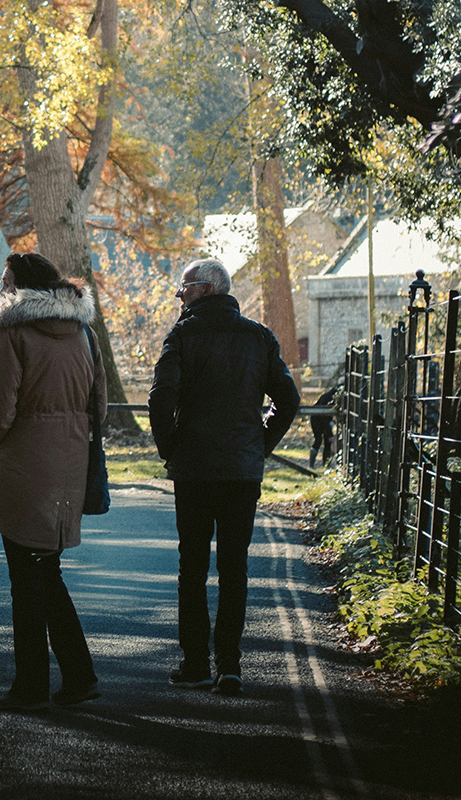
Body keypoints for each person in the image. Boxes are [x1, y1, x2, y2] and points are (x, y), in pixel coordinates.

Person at [148, 258, 300, 697]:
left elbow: (161, 399)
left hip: (193, 472)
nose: (180, 295)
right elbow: (287, 400)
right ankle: (229, 666)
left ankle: (195, 663)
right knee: (234, 567)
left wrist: (171, 448)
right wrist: (258, 444)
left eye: (185, 288)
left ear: (208, 289)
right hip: (241, 472)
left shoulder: (181, 336)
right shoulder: (259, 336)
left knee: (191, 568)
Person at [0, 251, 108, 712]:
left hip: (23, 464)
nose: (1, 288)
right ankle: (79, 676)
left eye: (6, 280)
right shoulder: (84, 333)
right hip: (70, 463)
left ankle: (30, 686)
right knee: (46, 572)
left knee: (26, 580)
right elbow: (101, 405)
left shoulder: (13, 333)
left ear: (22, 286)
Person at [309, 386, 338, 468]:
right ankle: (313, 465)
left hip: (323, 419)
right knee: (319, 440)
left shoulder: (330, 396)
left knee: (326, 441)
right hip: (317, 419)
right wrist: (329, 433)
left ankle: (325, 465)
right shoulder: (329, 398)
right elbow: (324, 417)